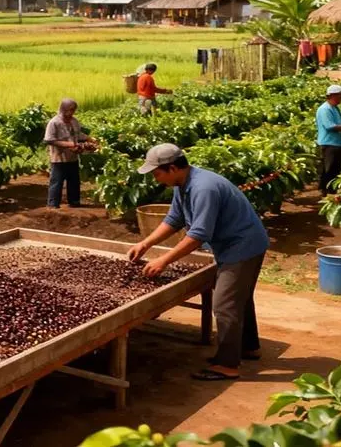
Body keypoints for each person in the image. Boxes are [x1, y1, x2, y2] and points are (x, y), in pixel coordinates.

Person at [128, 144, 269, 381]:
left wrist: (164, 260)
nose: (155, 178)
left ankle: (228, 365)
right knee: (238, 298)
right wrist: (146, 244)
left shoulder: (203, 188)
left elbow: (198, 234)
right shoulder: (182, 184)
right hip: (233, 245)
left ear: (172, 168)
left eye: (156, 173)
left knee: (224, 303)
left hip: (243, 246)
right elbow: (175, 219)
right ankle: (248, 347)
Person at [43, 98, 95, 209]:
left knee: (74, 181)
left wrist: (89, 139)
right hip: (58, 158)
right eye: (71, 110)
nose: (72, 113)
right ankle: (53, 205)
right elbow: (49, 140)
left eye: (73, 110)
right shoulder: (54, 123)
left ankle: (74, 202)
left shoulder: (74, 121)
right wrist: (69, 145)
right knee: (57, 181)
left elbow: (78, 134)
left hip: (72, 157)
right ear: (63, 109)